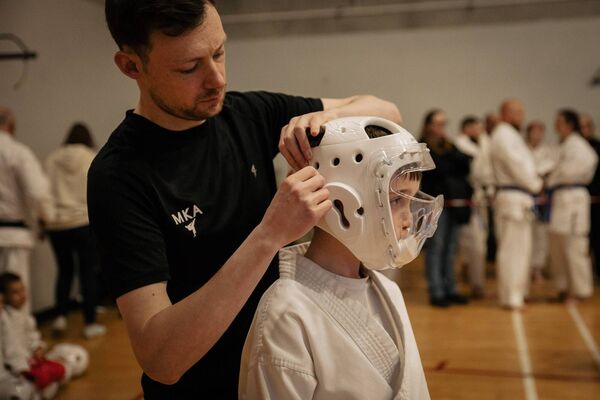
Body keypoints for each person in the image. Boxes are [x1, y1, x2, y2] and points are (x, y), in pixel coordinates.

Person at [89, 1, 402, 398]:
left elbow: (387, 111)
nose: (216, 79)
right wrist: (269, 234)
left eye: (219, 53)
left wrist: (324, 120)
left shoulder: (246, 114)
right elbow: (161, 359)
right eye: (189, 68)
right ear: (131, 66)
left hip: (281, 376)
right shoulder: (119, 176)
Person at [239, 116, 439, 400]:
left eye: (411, 199)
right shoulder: (286, 312)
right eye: (397, 200)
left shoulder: (389, 291)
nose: (409, 218)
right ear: (342, 205)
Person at [44, 123, 105, 339]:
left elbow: (44, 193)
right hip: (83, 222)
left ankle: (60, 316)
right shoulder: (91, 157)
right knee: (87, 272)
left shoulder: (52, 159)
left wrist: (45, 221)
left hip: (57, 225)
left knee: (64, 270)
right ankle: (89, 323)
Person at [490, 99, 543, 310]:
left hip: (518, 197)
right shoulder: (503, 135)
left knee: (520, 249)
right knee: (513, 250)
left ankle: (516, 292)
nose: (521, 115)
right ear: (504, 113)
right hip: (513, 197)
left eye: (522, 111)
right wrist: (536, 183)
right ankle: (512, 296)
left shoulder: (509, 135)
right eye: (516, 112)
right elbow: (518, 166)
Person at [0, 107, 53, 312]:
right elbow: (37, 193)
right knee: (17, 299)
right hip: (12, 236)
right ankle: (21, 344)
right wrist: (44, 220)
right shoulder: (17, 152)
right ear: (12, 126)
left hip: (12, 233)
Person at [419, 110, 471, 307]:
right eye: (438, 124)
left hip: (454, 204)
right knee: (436, 248)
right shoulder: (422, 145)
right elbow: (437, 169)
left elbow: (465, 163)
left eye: (444, 124)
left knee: (450, 249)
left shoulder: (448, 145)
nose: (442, 128)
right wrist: (450, 162)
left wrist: (449, 157)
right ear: (428, 125)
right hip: (435, 205)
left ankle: (451, 288)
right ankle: (436, 290)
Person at [546, 109, 598, 300]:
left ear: (569, 124)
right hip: (560, 197)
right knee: (558, 245)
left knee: (574, 246)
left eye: (559, 121)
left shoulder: (579, 145)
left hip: (574, 197)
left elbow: (579, 167)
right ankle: (562, 287)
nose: (556, 125)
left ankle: (579, 291)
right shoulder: (564, 145)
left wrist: (553, 176)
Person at [0, 272, 67, 399]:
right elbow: (10, 349)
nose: (21, 295)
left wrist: (37, 347)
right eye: (15, 292)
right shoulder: (4, 318)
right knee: (28, 388)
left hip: (32, 361)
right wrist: (22, 367)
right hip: (18, 368)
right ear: (5, 297)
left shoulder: (24, 314)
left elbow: (32, 336)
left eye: (22, 290)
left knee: (62, 367)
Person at [454, 116, 494, 299]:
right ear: (466, 128)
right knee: (468, 243)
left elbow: (490, 171)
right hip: (466, 199)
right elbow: (476, 171)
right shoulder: (459, 144)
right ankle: (472, 279)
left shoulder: (485, 143)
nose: (480, 130)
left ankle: (476, 282)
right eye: (476, 127)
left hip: (481, 198)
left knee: (479, 242)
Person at [525, 121, 556, 282]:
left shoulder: (548, 152)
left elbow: (550, 170)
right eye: (533, 132)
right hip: (527, 195)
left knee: (541, 234)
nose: (536, 135)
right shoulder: (523, 150)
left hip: (544, 196)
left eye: (539, 132)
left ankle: (538, 267)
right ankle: (527, 267)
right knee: (527, 233)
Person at [580, 114, 600, 278]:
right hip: (580, 198)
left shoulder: (597, 146)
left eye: (586, 126)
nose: (583, 129)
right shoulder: (571, 146)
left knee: (597, 236)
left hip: (596, 199)